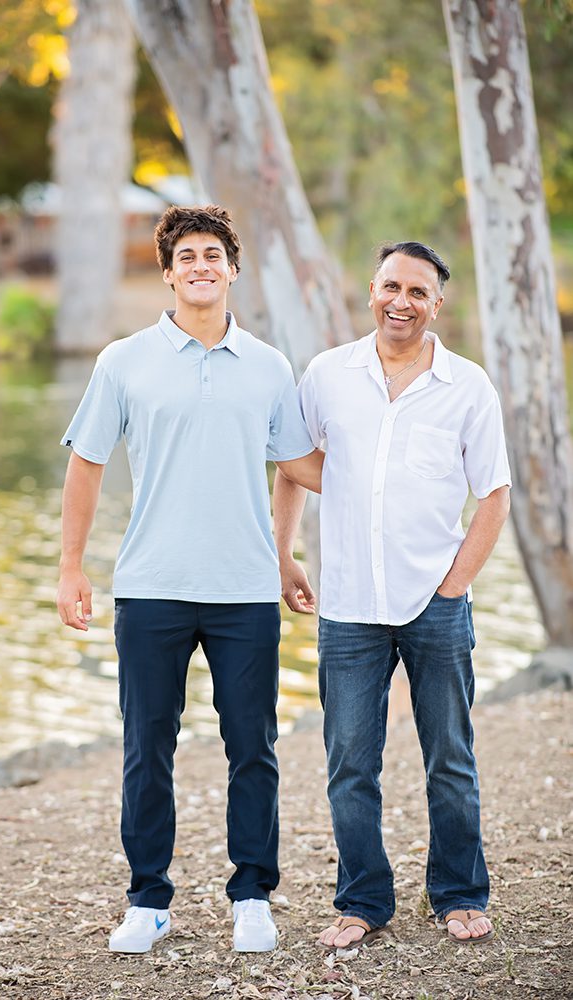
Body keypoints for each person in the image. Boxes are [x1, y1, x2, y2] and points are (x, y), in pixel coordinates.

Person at [57, 205, 323, 955]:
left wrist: (284, 553)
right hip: (150, 587)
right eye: (186, 256)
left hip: (244, 590)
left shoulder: (269, 365)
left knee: (253, 745)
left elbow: (296, 466)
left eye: (214, 254)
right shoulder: (123, 360)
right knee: (147, 745)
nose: (201, 266)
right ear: (167, 272)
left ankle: (251, 894)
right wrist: (71, 568)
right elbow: (86, 462)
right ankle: (147, 899)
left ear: (232, 269)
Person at [274, 241, 511, 948]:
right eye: (388, 287)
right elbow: (290, 464)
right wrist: (282, 552)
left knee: (450, 757)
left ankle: (460, 894)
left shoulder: (466, 386)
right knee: (350, 763)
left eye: (416, 291)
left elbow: (493, 496)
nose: (399, 301)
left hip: (433, 603)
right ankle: (362, 902)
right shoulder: (326, 375)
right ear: (369, 292)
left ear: (436, 304)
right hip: (345, 605)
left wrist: (455, 584)